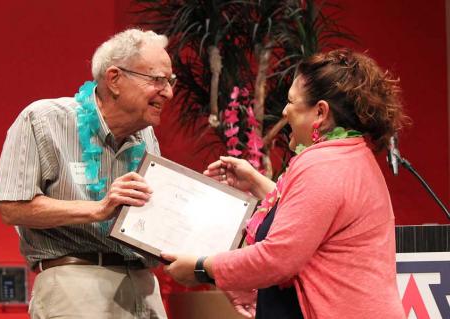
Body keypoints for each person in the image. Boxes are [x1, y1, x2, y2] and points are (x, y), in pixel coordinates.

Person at [161, 49, 407, 319]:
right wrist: (256, 182)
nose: (285, 111)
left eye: (291, 101)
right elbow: (310, 219)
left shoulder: (324, 164)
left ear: (321, 112)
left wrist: (201, 268)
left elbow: (277, 257)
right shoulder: (347, 154)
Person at [0, 28, 175, 319]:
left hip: (144, 286)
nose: (168, 91)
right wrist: (99, 209)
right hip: (75, 283)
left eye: (170, 81)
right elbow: (11, 207)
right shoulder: (43, 120)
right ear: (114, 79)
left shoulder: (146, 137)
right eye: (158, 80)